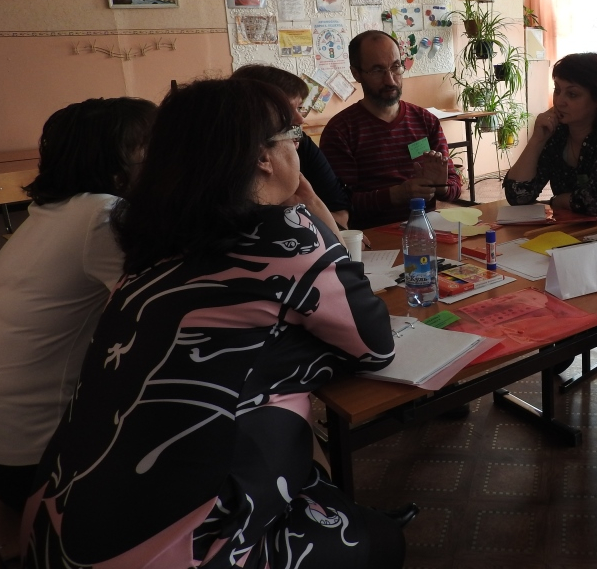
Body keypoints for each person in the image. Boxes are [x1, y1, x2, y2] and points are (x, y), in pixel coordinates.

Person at [21, 79, 412, 568]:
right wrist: (315, 215)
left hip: (64, 524)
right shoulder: (283, 235)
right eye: (293, 135)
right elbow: (374, 346)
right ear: (263, 157)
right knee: (383, 542)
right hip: (177, 545)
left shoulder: (152, 237)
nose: (298, 147)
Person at [0, 97, 156, 511]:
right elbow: (165, 303)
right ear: (116, 165)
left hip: (9, 453)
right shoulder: (102, 216)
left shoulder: (52, 211)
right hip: (46, 464)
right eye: (150, 149)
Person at [503, 52, 597, 426]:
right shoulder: (558, 132)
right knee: (537, 271)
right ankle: (566, 341)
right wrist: (538, 139)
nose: (560, 101)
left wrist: (558, 200)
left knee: (593, 286)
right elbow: (518, 195)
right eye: (558, 90)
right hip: (573, 233)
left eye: (572, 93)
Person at [321, 30, 462, 229]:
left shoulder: (425, 120)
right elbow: (339, 205)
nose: (390, 80)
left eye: (396, 67)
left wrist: (441, 187)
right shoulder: (340, 131)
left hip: (425, 232)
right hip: (373, 239)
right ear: (356, 73)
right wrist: (395, 195)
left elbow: (454, 184)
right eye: (377, 70)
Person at [232, 63, 351, 229]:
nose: (300, 119)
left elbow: (341, 214)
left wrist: (308, 204)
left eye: (299, 108)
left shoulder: (301, 143)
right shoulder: (231, 160)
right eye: (285, 111)